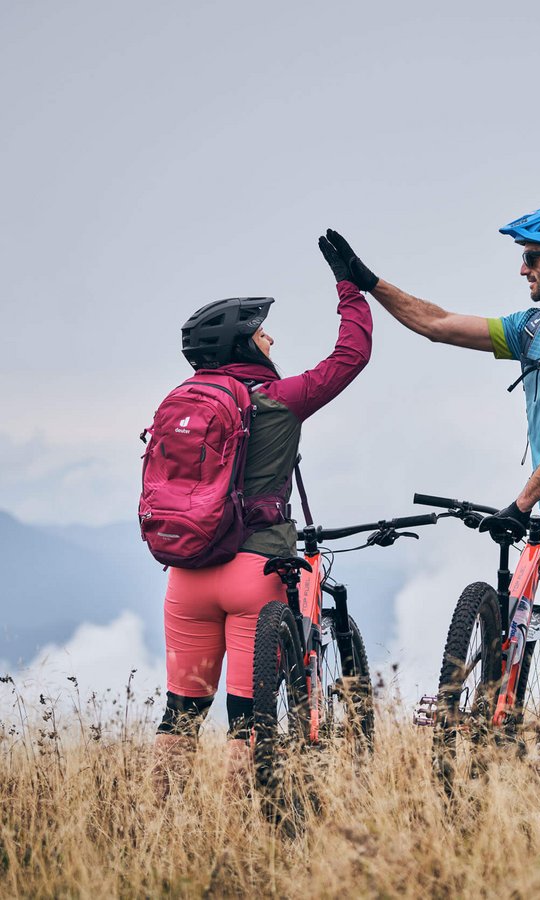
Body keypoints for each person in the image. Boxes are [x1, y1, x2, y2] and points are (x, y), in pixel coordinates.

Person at [316, 204, 540, 747]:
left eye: (532, 258)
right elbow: (439, 325)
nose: (523, 269)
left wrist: (520, 504)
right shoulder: (535, 328)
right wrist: (367, 281)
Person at [153, 258, 372, 795]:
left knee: (179, 717)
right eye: (260, 332)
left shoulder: (181, 403)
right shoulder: (279, 401)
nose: (269, 337)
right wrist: (351, 288)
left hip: (186, 574)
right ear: (244, 346)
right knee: (248, 724)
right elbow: (351, 355)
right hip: (257, 571)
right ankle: (239, 836)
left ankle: (150, 825)